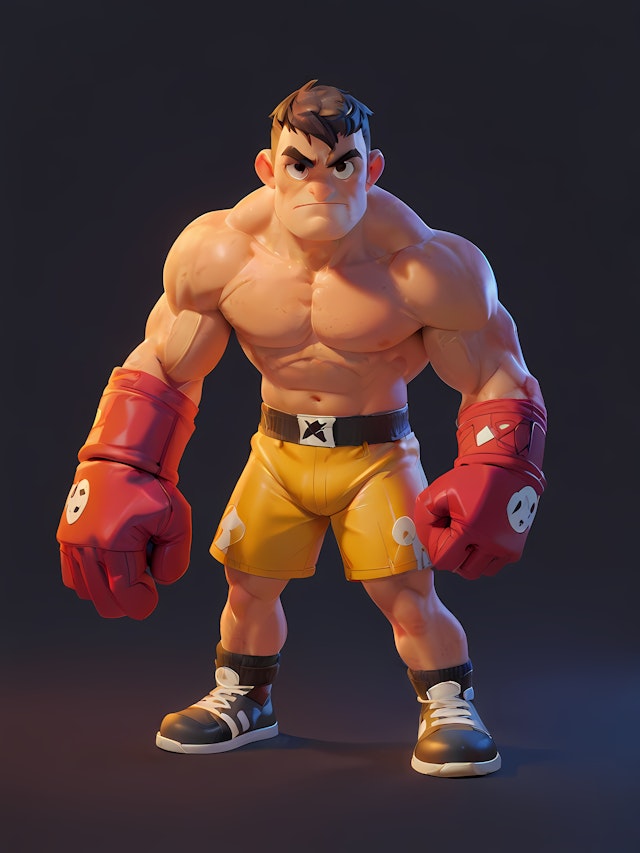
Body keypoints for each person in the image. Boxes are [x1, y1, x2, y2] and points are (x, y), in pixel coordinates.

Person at [57, 80, 546, 777]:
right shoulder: (220, 253)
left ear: (371, 169)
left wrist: (499, 468)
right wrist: (117, 464)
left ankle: (449, 704)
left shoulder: (425, 266)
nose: (321, 183)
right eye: (300, 164)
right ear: (269, 167)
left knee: (406, 594)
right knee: (247, 586)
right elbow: (164, 361)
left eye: (342, 164)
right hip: (277, 453)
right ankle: (245, 698)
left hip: (376, 456)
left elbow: (497, 370)